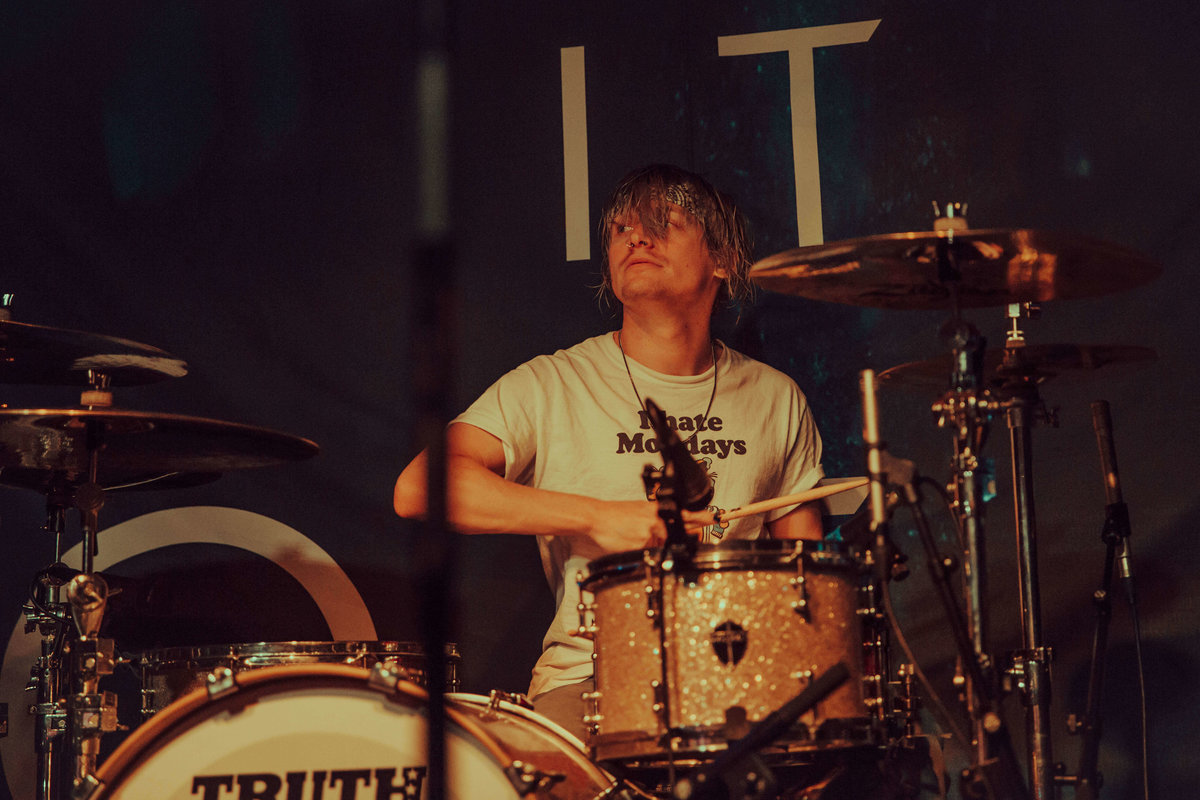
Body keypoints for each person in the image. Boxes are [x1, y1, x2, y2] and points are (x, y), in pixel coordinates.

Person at [393, 164, 825, 741]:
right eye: (621, 229)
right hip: (589, 679)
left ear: (722, 260)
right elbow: (418, 487)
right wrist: (598, 517)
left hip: (737, 676)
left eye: (661, 224)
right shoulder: (552, 382)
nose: (635, 238)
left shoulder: (776, 397)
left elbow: (811, 585)